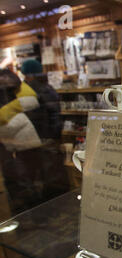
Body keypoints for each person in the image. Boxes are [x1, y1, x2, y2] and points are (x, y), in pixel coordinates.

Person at [0, 60, 68, 214]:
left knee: (32, 178)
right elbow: (54, 115)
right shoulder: (42, 89)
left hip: (33, 141)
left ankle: (40, 210)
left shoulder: (29, 91)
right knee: (44, 176)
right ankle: (51, 209)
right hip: (41, 140)